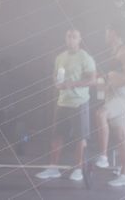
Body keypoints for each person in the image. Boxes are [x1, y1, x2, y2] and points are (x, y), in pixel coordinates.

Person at [36, 29, 97, 182]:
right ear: (65, 38)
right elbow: (56, 76)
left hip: (79, 103)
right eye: (68, 37)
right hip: (62, 102)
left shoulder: (85, 57)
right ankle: (53, 168)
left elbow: (92, 80)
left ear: (79, 39)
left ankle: (78, 169)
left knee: (80, 138)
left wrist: (73, 84)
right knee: (57, 136)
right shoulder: (60, 57)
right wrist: (57, 82)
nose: (71, 40)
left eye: (74, 37)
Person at [94, 21, 125, 187]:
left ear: (115, 32)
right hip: (111, 97)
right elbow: (107, 77)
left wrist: (110, 84)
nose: (105, 35)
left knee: (100, 114)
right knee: (121, 137)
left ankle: (103, 157)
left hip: (122, 97)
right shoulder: (111, 51)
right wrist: (102, 84)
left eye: (107, 31)